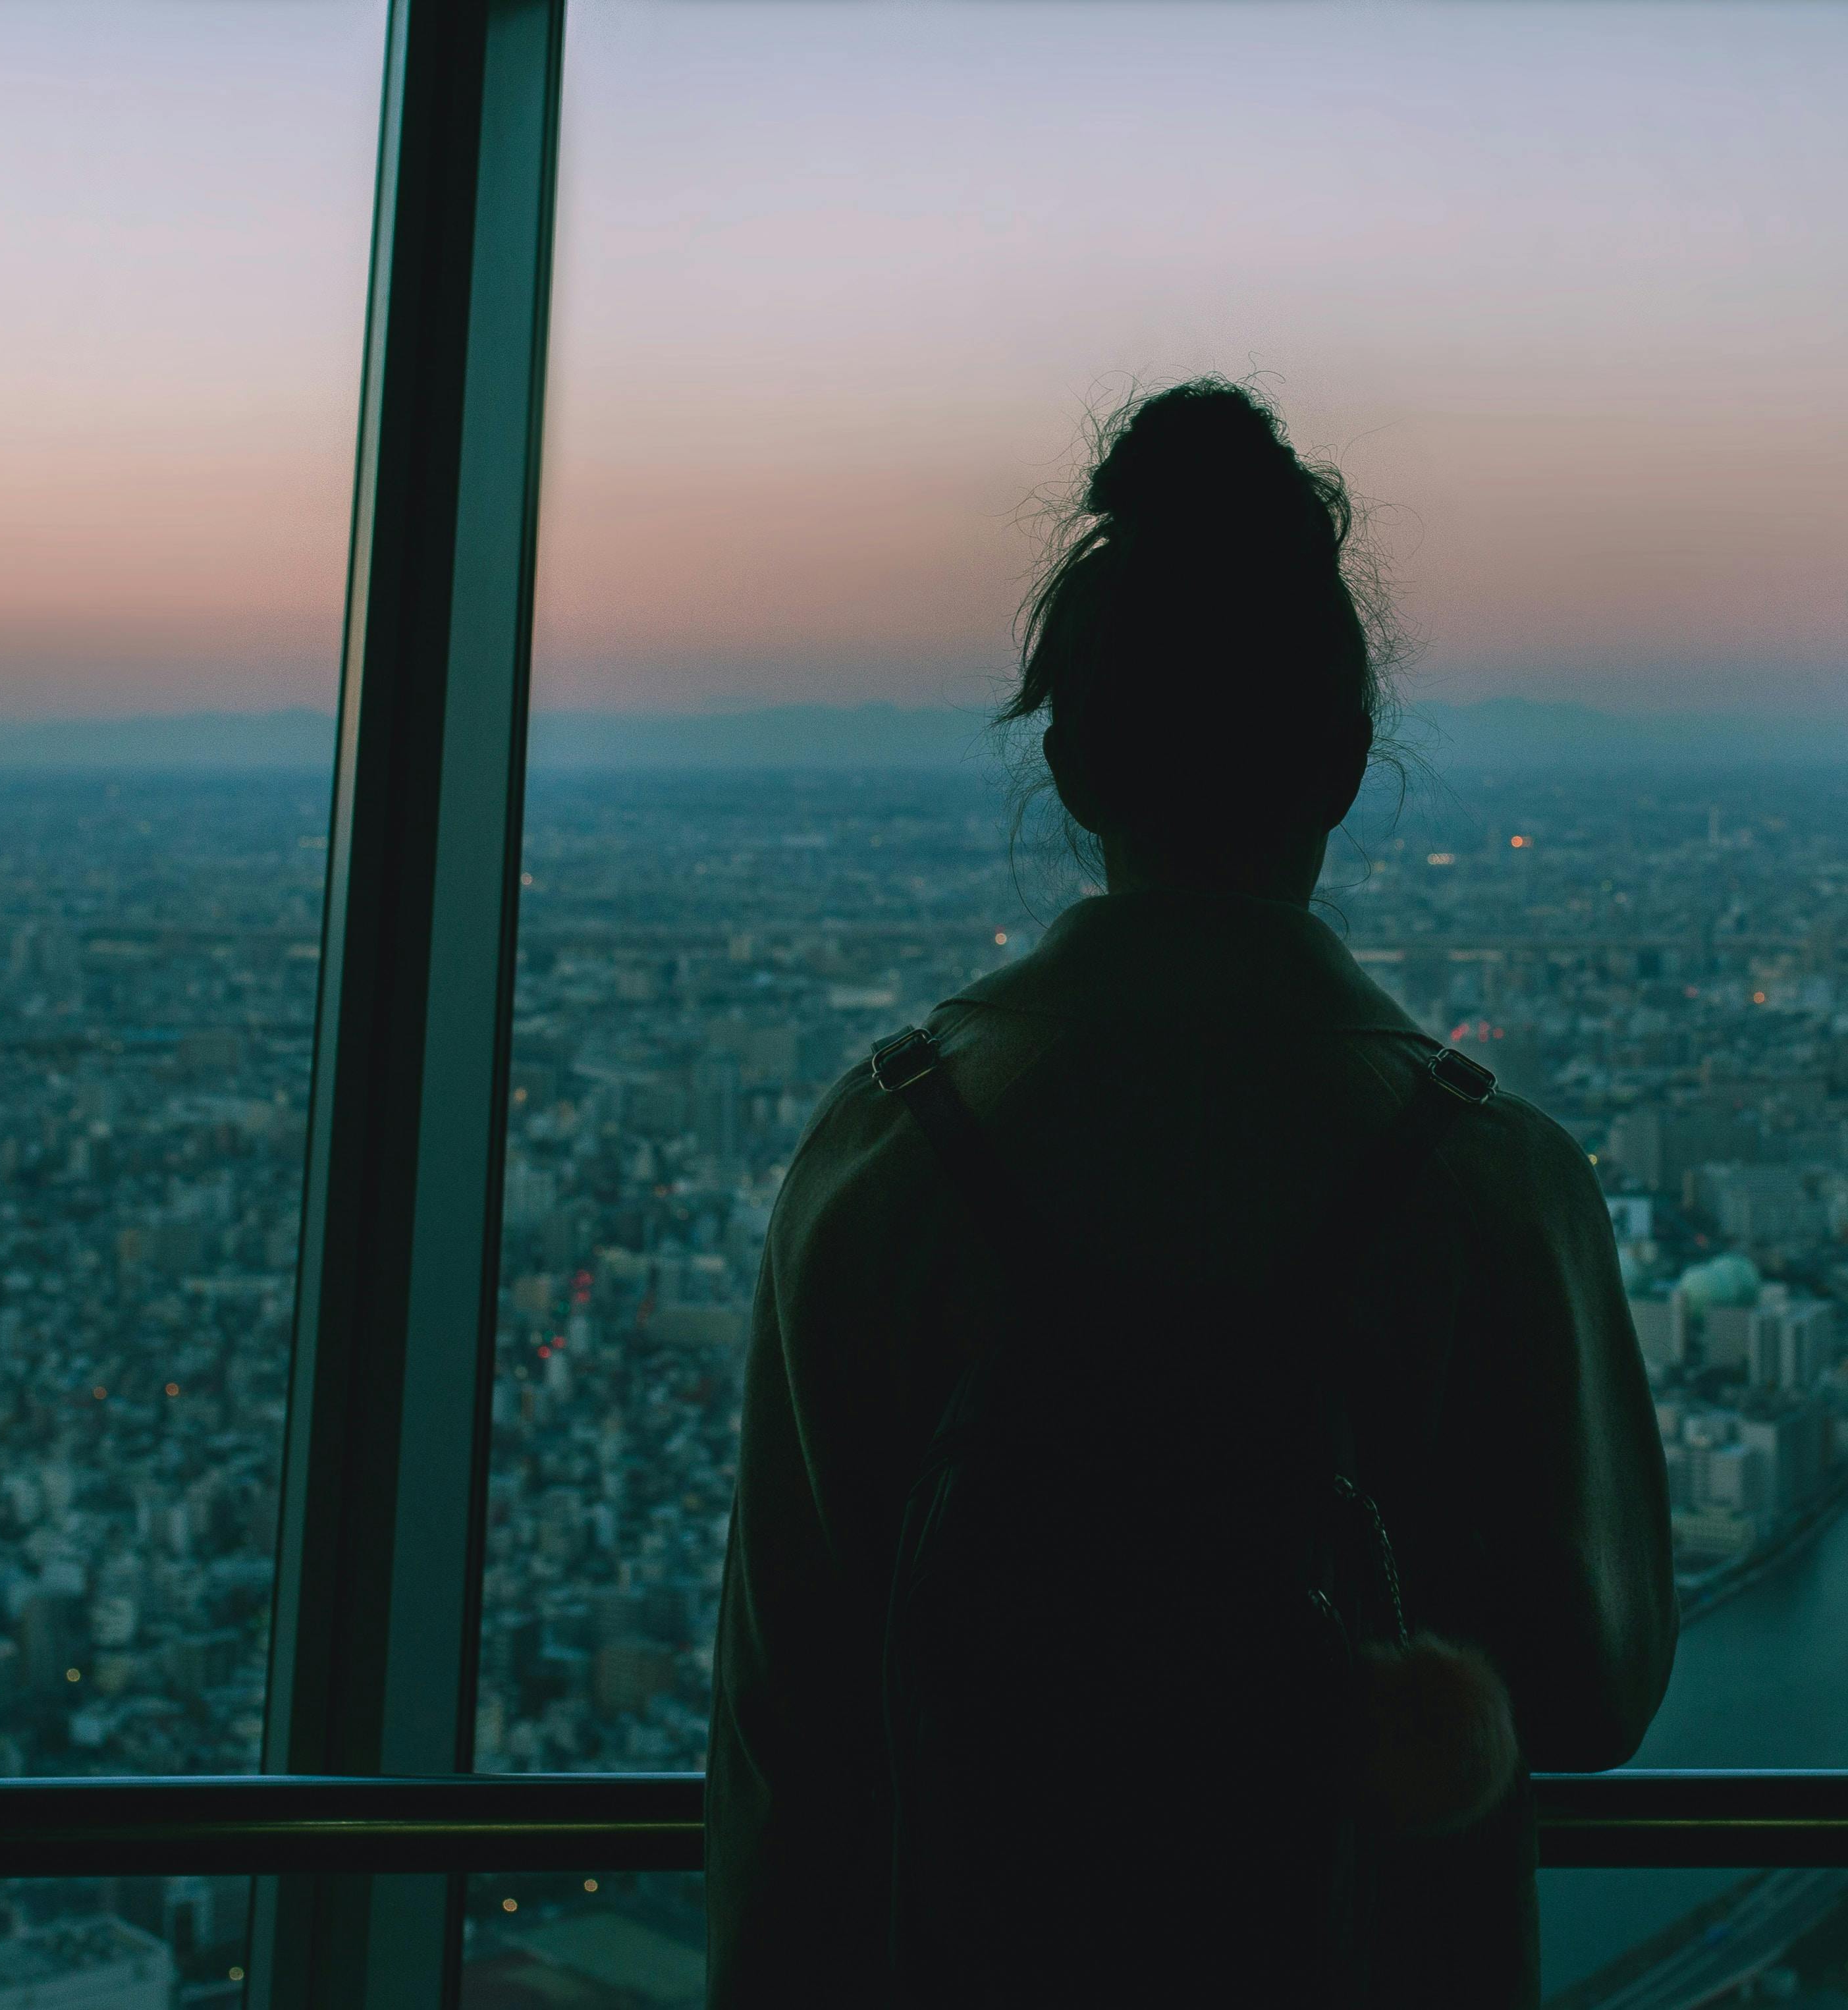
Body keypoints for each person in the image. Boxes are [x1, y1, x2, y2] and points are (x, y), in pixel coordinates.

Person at [704, 381, 1674, 2005]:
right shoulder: (1489, 1184)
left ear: (1073, 764)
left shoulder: (882, 1157)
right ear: (1349, 763)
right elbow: (1595, 1689)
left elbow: (788, 1725)